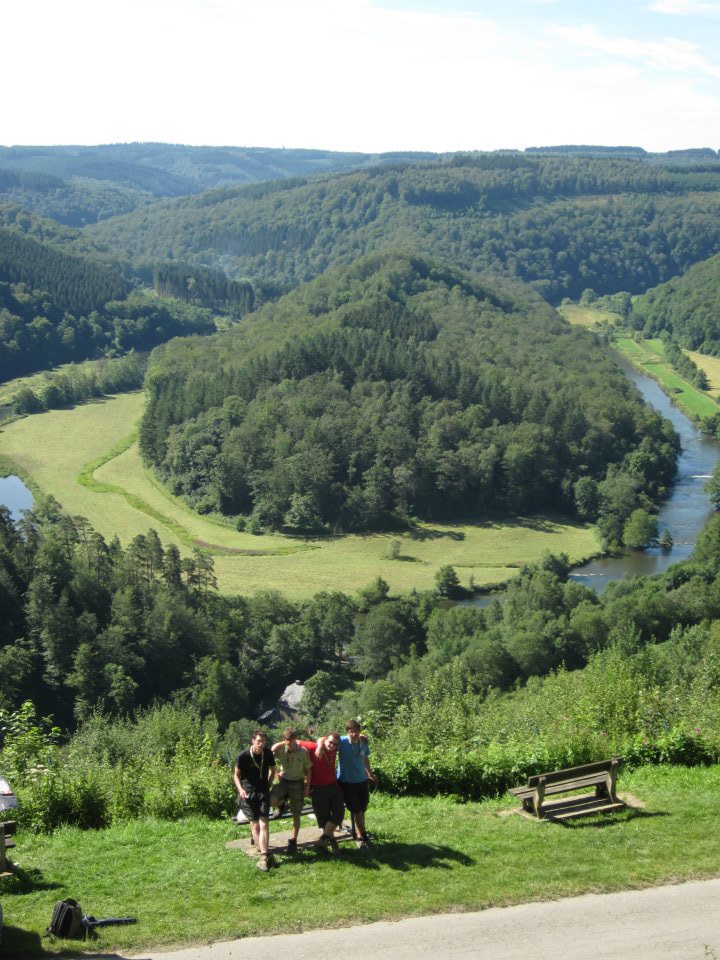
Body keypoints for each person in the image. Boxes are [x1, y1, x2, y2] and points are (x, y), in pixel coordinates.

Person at [233, 730, 276, 872]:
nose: (261, 744)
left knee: (264, 824)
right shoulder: (243, 756)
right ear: (253, 741)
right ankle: (262, 850)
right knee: (255, 825)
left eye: (263, 741)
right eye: (258, 741)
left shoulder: (268, 753)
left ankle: (263, 856)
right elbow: (236, 775)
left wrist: (268, 786)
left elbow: (273, 770)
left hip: (263, 792)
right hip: (248, 793)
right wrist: (241, 790)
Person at [298, 732, 344, 853]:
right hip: (318, 788)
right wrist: (277, 746)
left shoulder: (334, 749)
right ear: (325, 741)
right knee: (324, 818)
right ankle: (333, 844)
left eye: (335, 745)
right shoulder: (313, 747)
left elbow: (356, 738)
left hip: (333, 786)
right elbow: (295, 742)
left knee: (339, 814)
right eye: (330, 743)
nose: (332, 746)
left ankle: (322, 841)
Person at [269, 728, 311, 854]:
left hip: (298, 783)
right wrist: (277, 773)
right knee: (270, 800)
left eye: (292, 740)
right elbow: (270, 755)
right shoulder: (281, 749)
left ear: (296, 739)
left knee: (296, 814)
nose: (290, 743)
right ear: (284, 740)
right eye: (287, 740)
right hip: (284, 782)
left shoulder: (304, 752)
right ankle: (282, 806)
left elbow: (309, 770)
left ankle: (293, 841)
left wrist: (307, 786)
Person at [337, 719, 376, 847]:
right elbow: (324, 740)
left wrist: (369, 774)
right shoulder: (342, 742)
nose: (354, 734)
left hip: (361, 780)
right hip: (347, 782)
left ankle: (360, 834)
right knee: (357, 810)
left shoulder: (363, 742)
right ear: (347, 732)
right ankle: (362, 836)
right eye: (351, 732)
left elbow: (365, 758)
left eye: (357, 731)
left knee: (362, 809)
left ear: (360, 731)